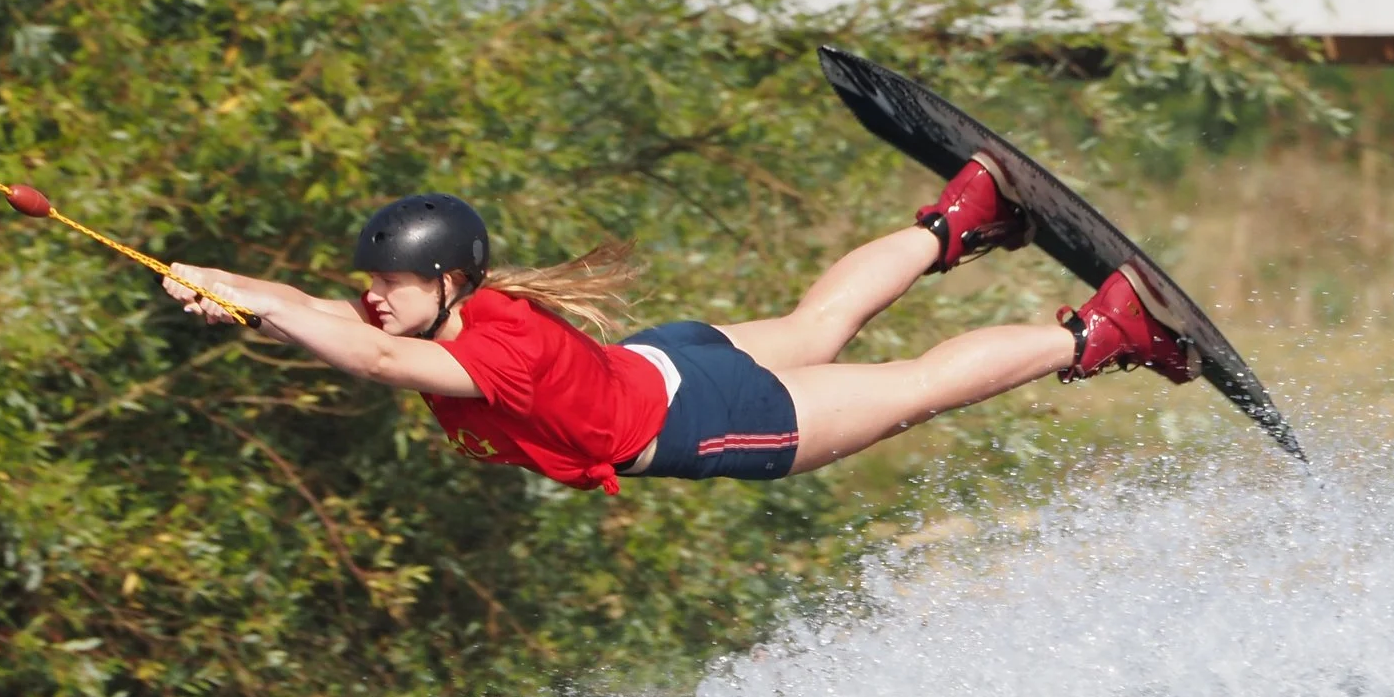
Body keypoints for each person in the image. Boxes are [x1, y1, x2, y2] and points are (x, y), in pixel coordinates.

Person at [161, 159, 1191, 493]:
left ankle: (1100, 333)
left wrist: (265, 305)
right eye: (371, 284)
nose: (375, 298)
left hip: (700, 416)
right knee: (818, 320)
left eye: (391, 284)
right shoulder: (458, 308)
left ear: (447, 281)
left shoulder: (487, 354)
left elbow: (375, 358)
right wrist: (231, 288)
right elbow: (326, 316)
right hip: (659, 358)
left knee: (915, 387)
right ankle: (961, 216)